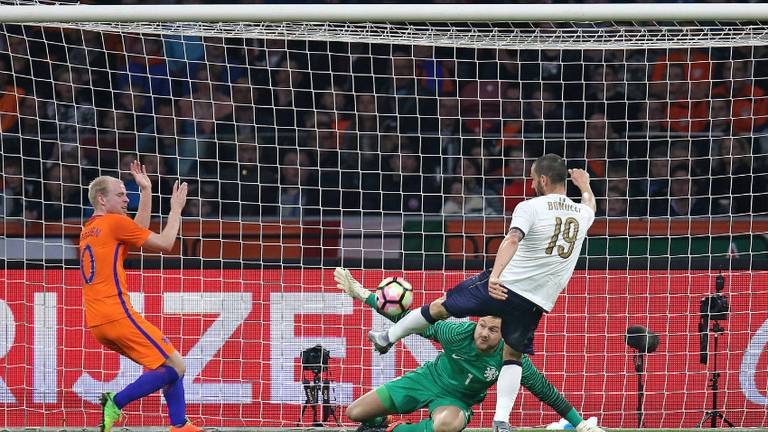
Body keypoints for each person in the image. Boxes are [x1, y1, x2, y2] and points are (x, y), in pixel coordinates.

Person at [368, 154, 596, 432]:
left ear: (543, 180)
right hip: (537, 301)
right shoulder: (581, 214)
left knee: (440, 307)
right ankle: (501, 420)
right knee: (512, 356)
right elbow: (589, 205)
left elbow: (512, 239)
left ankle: (386, 337)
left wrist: (496, 275)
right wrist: (584, 185)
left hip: (506, 285)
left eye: (534, 179)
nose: (533, 184)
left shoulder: (530, 207)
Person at [334, 268, 603, 432]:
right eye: (482, 325)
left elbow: (547, 392)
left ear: (504, 334)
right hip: (426, 380)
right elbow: (410, 323)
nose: (484, 333)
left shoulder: (511, 358)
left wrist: (579, 424)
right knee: (354, 413)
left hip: (455, 403)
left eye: (493, 330)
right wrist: (363, 294)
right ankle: (379, 421)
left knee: (446, 426)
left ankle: (394, 430)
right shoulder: (456, 333)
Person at [79, 160, 198, 432]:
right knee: (176, 365)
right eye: (120, 194)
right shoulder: (112, 223)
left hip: (98, 323)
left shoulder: (91, 228)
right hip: (118, 314)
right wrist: (176, 210)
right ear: (101, 198)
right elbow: (166, 243)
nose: (126, 198)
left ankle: (180, 425)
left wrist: (146, 192)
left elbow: (135, 233)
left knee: (163, 361)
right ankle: (116, 401)